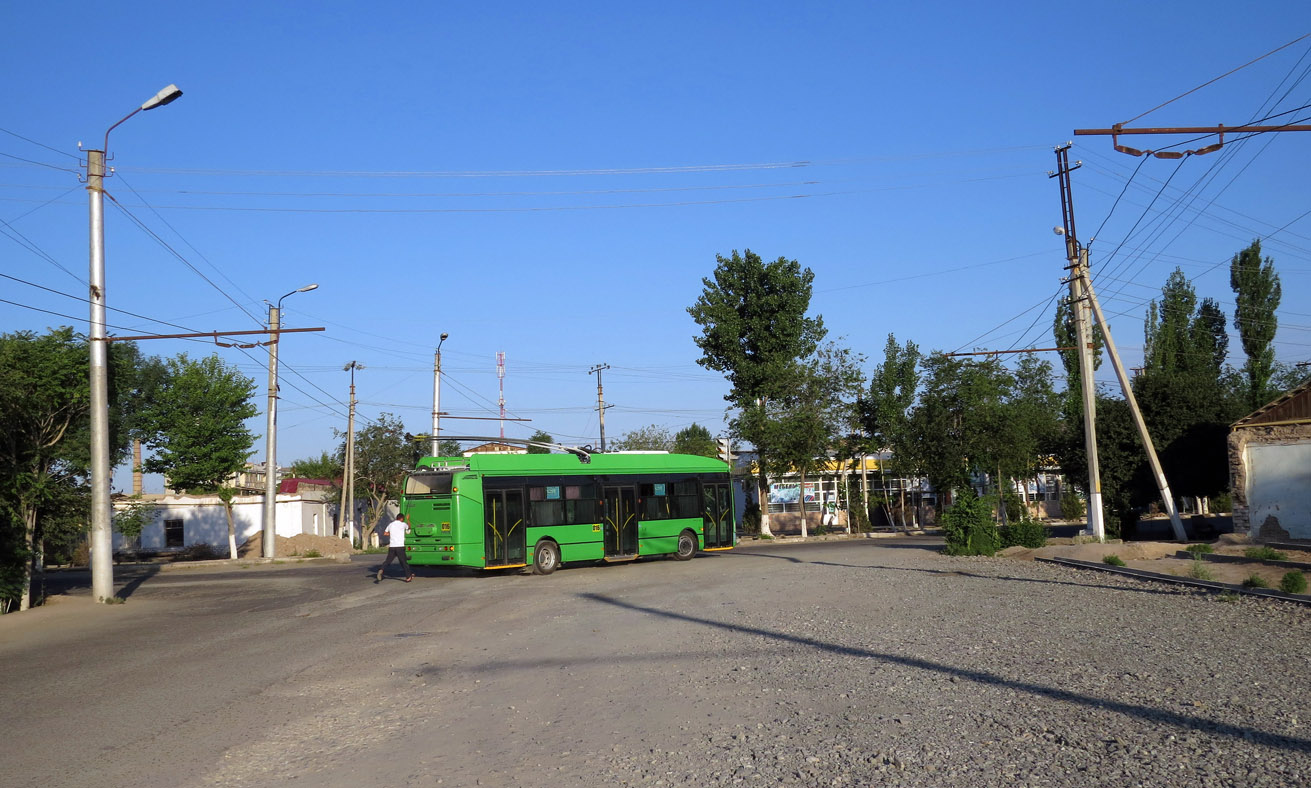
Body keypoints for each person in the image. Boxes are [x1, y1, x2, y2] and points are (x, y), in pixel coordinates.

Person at [376, 513, 413, 582]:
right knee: (404, 562)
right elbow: (409, 527)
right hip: (400, 547)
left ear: (396, 518)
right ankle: (408, 577)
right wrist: (408, 519)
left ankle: (381, 569)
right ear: (401, 519)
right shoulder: (403, 524)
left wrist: (393, 533)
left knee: (388, 561)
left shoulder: (391, 524)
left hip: (392, 547)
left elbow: (385, 533)